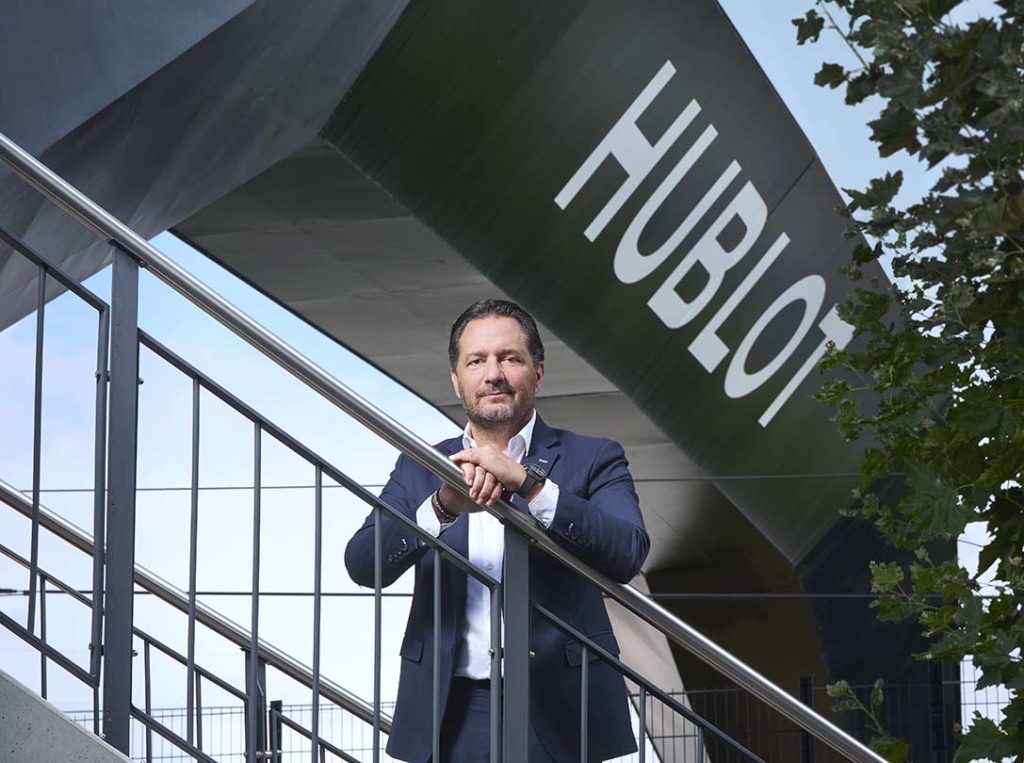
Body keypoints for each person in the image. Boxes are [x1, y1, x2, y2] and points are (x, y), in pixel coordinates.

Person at [345, 299, 650, 762]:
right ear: (456, 380)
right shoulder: (420, 465)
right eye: (476, 361)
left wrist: (531, 486)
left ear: (538, 373)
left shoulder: (594, 457)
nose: (493, 374)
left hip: (565, 704)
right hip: (451, 707)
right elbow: (363, 563)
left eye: (509, 358)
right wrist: (442, 506)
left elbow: (628, 551)